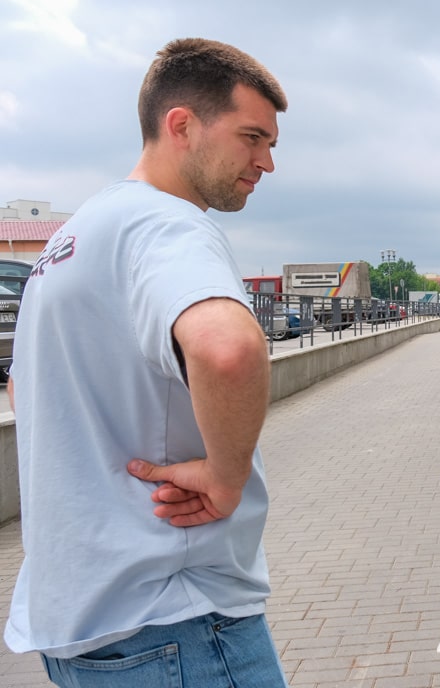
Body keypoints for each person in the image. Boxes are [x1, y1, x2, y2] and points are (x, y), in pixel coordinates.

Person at [4, 38, 290, 686]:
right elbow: (228, 347)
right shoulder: (167, 225)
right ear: (181, 125)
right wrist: (225, 475)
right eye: (252, 137)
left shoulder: (72, 241)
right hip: (177, 622)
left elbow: (24, 390)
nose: (267, 162)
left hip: (81, 631)